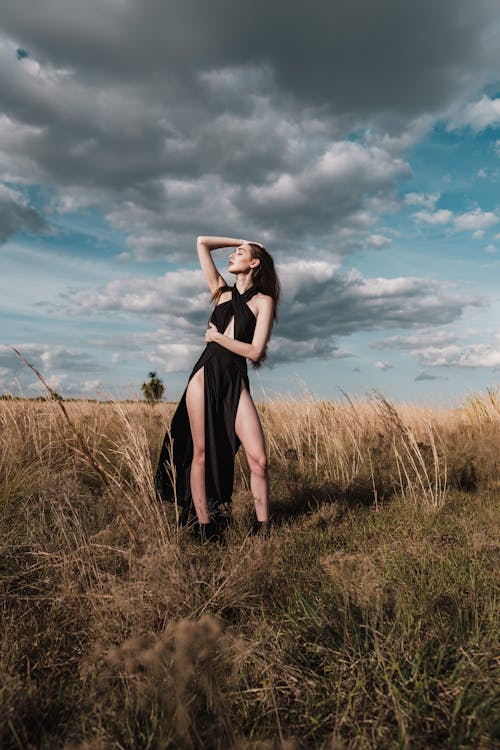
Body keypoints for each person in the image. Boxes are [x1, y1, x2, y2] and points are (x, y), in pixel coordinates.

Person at [154, 236, 280, 541]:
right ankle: (205, 526)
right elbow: (201, 243)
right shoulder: (220, 292)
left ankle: (263, 529)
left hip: (235, 380)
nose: (232, 255)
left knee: (259, 459)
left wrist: (217, 337)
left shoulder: (263, 301)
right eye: (234, 252)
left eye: (240, 253)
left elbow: (254, 352)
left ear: (255, 263)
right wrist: (243, 240)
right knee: (199, 452)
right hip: (205, 374)